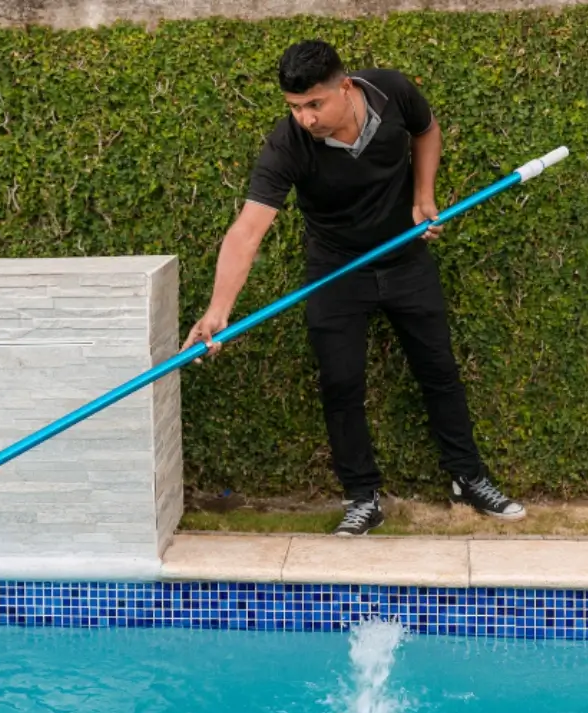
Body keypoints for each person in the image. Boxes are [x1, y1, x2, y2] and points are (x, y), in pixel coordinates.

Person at [182, 39, 526, 535]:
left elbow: (426, 131)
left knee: (439, 372)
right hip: (335, 271)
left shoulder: (391, 91)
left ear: (344, 88)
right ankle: (362, 498)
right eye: (295, 107)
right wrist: (219, 311)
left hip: (406, 259)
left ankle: (467, 477)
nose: (306, 118)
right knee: (341, 386)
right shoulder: (288, 145)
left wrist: (423, 197)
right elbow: (247, 231)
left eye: (314, 104)